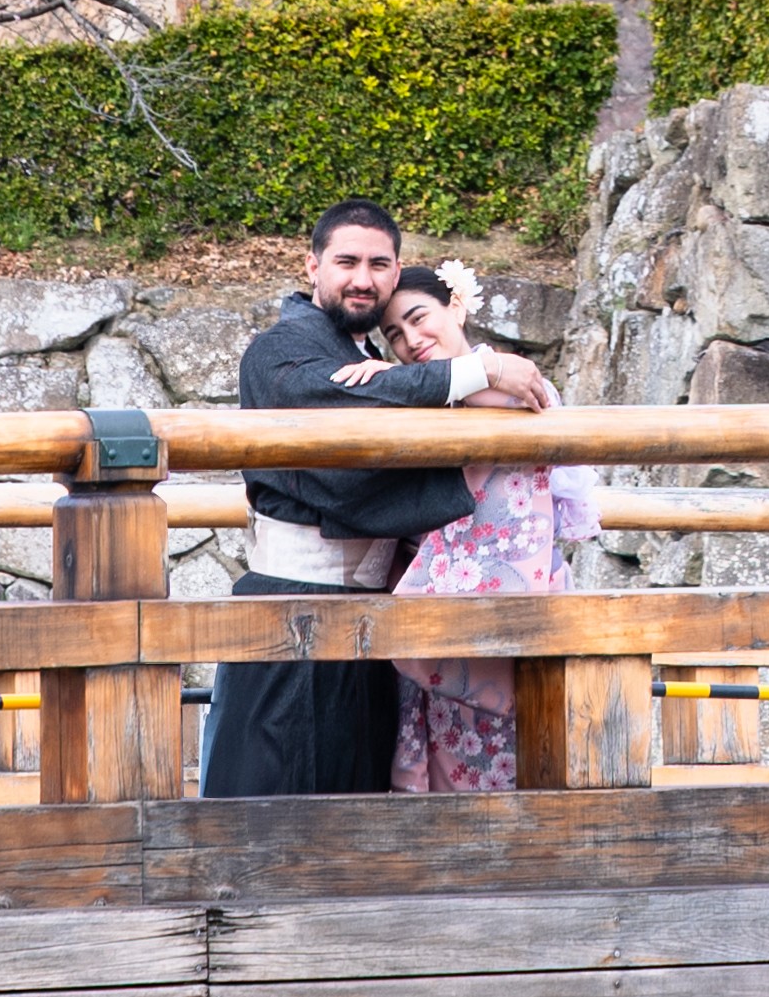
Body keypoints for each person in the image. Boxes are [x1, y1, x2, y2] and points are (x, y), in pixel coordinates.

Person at [197, 199, 551, 796]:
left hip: (370, 617)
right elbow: (337, 414)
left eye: (378, 263)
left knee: (357, 793)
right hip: (293, 601)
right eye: (346, 261)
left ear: (396, 270)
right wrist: (480, 370)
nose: (363, 278)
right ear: (312, 267)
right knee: (272, 790)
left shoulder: (369, 362)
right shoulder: (280, 348)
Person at [331, 260, 599, 791]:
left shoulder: (503, 373)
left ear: (455, 305)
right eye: (394, 336)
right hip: (436, 577)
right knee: (444, 754)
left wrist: (405, 381)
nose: (411, 340)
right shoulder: (421, 393)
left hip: (510, 579)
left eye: (418, 318)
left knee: (522, 752)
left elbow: (517, 398)